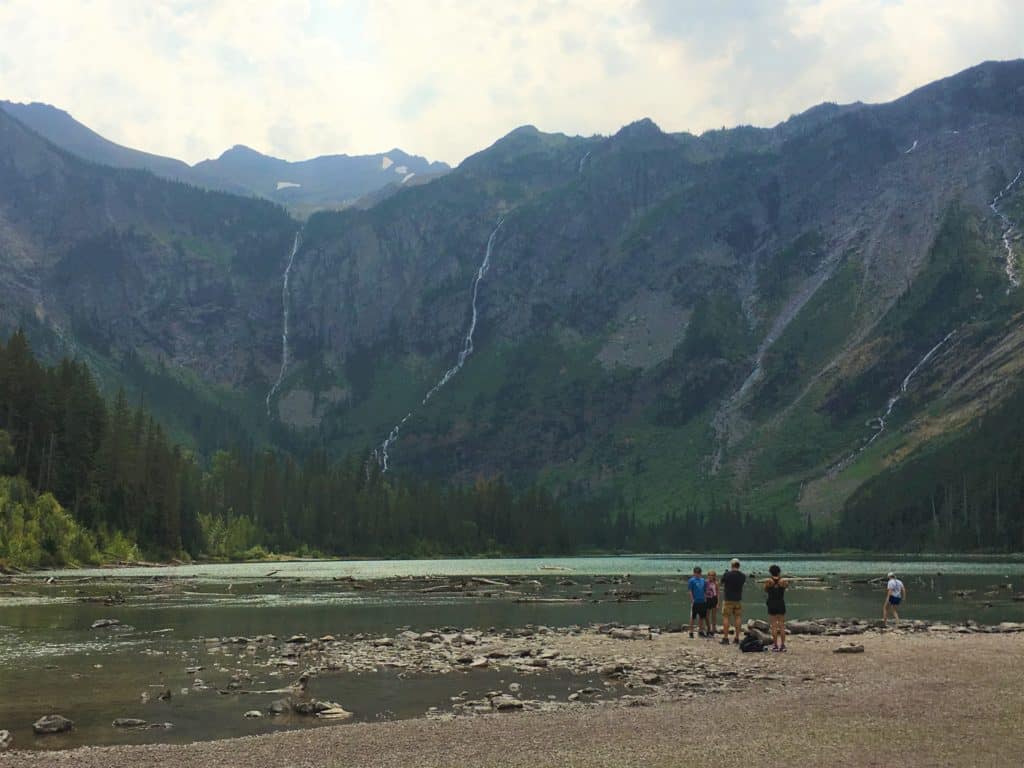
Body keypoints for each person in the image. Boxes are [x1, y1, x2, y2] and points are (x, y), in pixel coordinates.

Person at [720, 558, 746, 645]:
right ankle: (737, 638)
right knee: (738, 617)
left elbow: (721, 583)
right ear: (739, 565)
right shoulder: (742, 576)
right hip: (738, 599)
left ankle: (726, 638)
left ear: (731, 565)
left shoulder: (727, 574)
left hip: (728, 599)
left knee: (726, 617)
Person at [764, 564, 788, 652]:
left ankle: (775, 645)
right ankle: (783, 645)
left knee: (773, 625)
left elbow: (766, 590)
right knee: (782, 625)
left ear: (770, 572)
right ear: (779, 572)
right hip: (780, 603)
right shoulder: (783, 581)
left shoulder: (768, 581)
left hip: (771, 603)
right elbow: (785, 587)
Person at [687, 566, 709, 638]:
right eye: (696, 573)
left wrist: (705, 598)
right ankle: (691, 632)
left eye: (698, 573)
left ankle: (700, 631)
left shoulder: (703, 580)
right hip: (695, 601)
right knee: (693, 617)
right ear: (694, 573)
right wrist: (692, 600)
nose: (697, 575)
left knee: (701, 617)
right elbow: (690, 591)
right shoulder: (691, 580)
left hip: (702, 601)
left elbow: (705, 590)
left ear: (700, 573)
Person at [704, 570, 719, 638]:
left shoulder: (716, 583)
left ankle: (713, 629)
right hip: (707, 599)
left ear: (714, 576)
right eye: (710, 575)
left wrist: (718, 602)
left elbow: (718, 593)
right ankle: (708, 628)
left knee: (714, 615)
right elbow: (703, 591)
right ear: (708, 576)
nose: (711, 577)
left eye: (712, 575)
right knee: (707, 615)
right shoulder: (705, 582)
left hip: (714, 599)